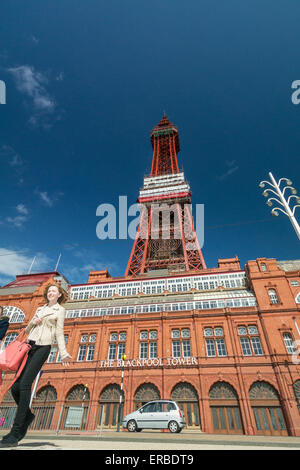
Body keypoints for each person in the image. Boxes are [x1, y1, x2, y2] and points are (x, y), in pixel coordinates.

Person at [0, 283, 72, 448]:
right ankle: (27, 415)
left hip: (43, 348)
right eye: (49, 290)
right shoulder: (39, 308)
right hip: (29, 347)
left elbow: (59, 332)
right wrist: (34, 321)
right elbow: (27, 328)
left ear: (59, 295)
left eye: (54, 291)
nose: (51, 292)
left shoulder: (60, 310)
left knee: (25, 385)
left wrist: (63, 353)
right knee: (15, 387)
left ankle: (15, 433)